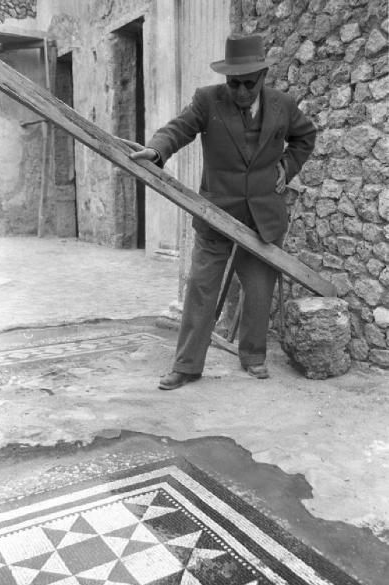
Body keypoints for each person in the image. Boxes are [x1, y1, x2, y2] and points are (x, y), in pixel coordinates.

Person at [130, 33, 316, 390]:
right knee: (201, 287)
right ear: (225, 79)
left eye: (249, 83)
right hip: (216, 213)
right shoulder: (207, 100)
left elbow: (306, 137)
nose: (242, 91)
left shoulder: (283, 105)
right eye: (234, 83)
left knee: (259, 288)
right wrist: (156, 151)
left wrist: (286, 167)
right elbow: (178, 129)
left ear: (263, 75)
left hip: (264, 216)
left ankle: (253, 356)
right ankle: (186, 365)